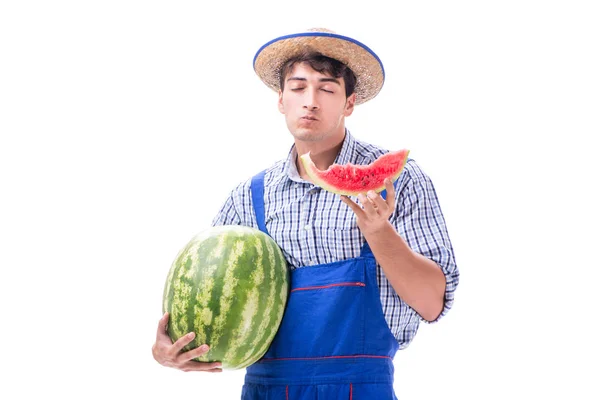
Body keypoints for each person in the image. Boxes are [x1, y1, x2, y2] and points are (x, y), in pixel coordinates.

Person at [153, 28, 459, 399]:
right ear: (281, 100)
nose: (310, 101)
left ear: (349, 102)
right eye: (298, 88)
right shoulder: (248, 198)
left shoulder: (398, 181)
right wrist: (171, 350)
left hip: (360, 389)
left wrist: (379, 233)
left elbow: (432, 304)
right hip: (266, 391)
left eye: (327, 89)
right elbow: (208, 300)